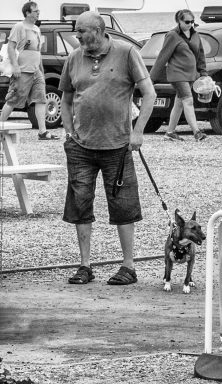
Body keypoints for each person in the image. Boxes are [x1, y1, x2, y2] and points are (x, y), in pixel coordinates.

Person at [59, 11, 156, 285]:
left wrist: (138, 132)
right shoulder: (74, 57)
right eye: (77, 31)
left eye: (81, 30)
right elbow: (66, 99)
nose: (77, 35)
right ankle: (85, 266)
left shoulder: (126, 53)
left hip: (117, 144)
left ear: (99, 30)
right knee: (80, 203)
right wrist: (68, 132)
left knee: (123, 204)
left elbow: (149, 93)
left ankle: (128, 266)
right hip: (80, 145)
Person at [0, 1, 59, 140]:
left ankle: (42, 132)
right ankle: (0, 126)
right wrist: (15, 67)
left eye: (38, 11)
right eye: (35, 11)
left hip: (36, 71)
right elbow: (11, 47)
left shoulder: (36, 29)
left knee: (41, 100)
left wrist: (41, 70)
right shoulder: (19, 27)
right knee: (13, 100)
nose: (38, 13)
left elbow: (38, 52)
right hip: (22, 70)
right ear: (27, 12)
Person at [150, 9, 208, 142]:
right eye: (187, 22)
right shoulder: (172, 35)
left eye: (192, 21)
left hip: (191, 75)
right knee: (188, 100)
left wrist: (203, 73)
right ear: (179, 21)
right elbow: (162, 57)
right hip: (177, 74)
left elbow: (201, 56)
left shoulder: (195, 35)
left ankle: (170, 132)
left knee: (179, 103)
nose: (190, 24)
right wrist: (151, 79)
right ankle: (197, 132)